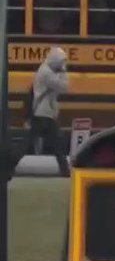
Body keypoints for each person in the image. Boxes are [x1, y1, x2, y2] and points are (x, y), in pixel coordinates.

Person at [26, 46, 70, 177]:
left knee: (29, 141)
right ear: (55, 59)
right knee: (57, 142)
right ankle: (64, 170)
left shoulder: (47, 70)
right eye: (62, 61)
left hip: (44, 113)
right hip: (43, 113)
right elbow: (64, 87)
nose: (63, 63)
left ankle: (9, 164)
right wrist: (64, 71)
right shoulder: (46, 72)